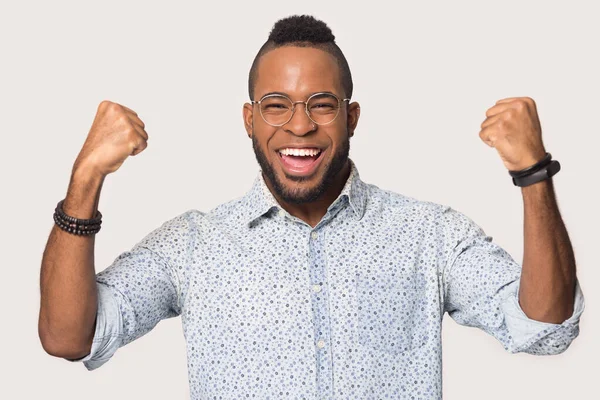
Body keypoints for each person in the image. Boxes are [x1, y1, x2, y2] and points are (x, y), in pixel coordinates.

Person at [38, 14, 585, 400]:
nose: (299, 126)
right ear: (249, 120)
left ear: (352, 117)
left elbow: (545, 326)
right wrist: (85, 178)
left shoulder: (428, 235)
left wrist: (533, 176)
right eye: (276, 106)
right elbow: (67, 337)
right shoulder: (192, 244)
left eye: (321, 105)